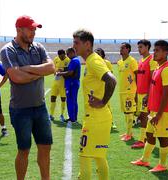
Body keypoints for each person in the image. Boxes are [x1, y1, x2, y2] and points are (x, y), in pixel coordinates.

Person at [0, 15, 55, 180]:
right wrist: (38, 72)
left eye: (34, 30)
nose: (33, 33)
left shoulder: (38, 47)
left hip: (40, 107)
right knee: (24, 150)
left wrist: (28, 68)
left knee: (45, 147)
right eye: (30, 29)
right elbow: (16, 77)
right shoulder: (8, 50)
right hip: (20, 110)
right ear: (18, 30)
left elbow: (51, 67)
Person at [73, 29, 116, 180]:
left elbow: (111, 80)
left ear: (87, 44)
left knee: (84, 156)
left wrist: (103, 101)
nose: (74, 46)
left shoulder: (94, 60)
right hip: (99, 117)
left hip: (96, 118)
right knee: (99, 157)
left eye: (77, 43)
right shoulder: (91, 60)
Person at [131, 40, 168, 172]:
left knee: (163, 137)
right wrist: (148, 98)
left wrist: (159, 114)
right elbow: (154, 87)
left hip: (164, 112)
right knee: (149, 134)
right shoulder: (158, 67)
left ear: (166, 52)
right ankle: (144, 160)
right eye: (154, 50)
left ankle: (163, 165)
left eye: (157, 50)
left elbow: (167, 93)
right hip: (154, 110)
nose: (154, 53)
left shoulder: (167, 69)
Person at [132, 39, 158, 149]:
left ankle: (142, 140)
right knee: (142, 116)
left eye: (141, 47)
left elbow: (153, 78)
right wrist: (137, 92)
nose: (139, 49)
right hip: (140, 92)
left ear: (147, 47)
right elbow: (139, 78)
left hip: (147, 93)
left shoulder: (151, 60)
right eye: (138, 47)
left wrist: (148, 93)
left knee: (144, 116)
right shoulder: (141, 60)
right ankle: (146, 138)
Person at [116, 43, 138, 141]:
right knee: (126, 112)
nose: (120, 49)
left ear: (128, 49)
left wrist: (137, 90)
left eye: (123, 48)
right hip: (122, 91)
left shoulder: (132, 61)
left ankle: (129, 134)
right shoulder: (119, 62)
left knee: (130, 113)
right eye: (120, 48)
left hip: (130, 91)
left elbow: (137, 76)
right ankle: (128, 132)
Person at [94, 48, 117, 129]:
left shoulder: (107, 63)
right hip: (96, 88)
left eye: (99, 53)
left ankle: (111, 122)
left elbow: (111, 75)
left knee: (107, 105)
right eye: (96, 53)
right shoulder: (94, 63)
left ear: (102, 54)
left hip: (104, 87)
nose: (97, 54)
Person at [56, 47, 81, 123]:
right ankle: (73, 117)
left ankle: (72, 118)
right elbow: (69, 70)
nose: (67, 55)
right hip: (73, 82)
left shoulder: (74, 60)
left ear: (72, 52)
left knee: (70, 100)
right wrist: (63, 70)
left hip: (71, 83)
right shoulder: (75, 60)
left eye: (68, 53)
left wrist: (60, 73)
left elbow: (70, 72)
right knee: (73, 100)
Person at [49, 49, 70, 122]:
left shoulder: (68, 60)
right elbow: (53, 68)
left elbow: (69, 72)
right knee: (52, 97)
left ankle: (62, 115)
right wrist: (55, 70)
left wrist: (62, 71)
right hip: (56, 81)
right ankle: (51, 115)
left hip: (63, 83)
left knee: (63, 99)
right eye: (59, 56)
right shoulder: (56, 59)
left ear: (65, 54)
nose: (61, 58)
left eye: (62, 56)